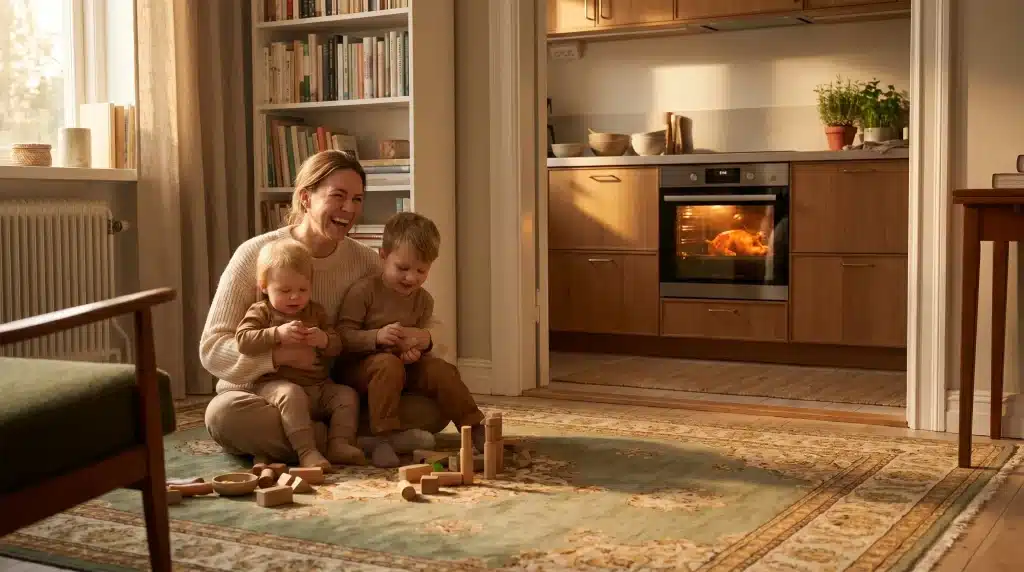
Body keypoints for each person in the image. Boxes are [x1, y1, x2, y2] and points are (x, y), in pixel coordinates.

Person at [201, 150, 446, 463]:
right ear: (306, 198)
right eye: (338, 196)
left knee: (432, 409)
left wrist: (424, 338)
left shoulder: (366, 262)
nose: (349, 208)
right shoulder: (255, 254)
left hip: (335, 394)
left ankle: (325, 437)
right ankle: (350, 440)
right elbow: (212, 348)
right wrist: (276, 356)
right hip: (264, 394)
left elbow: (431, 322)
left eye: (358, 199)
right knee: (224, 417)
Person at [336, 212, 487, 467]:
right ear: (383, 256)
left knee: (441, 369)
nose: (412, 278)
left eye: (421, 270)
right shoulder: (364, 291)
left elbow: (419, 344)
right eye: (402, 268)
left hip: (402, 368)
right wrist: (376, 337)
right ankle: (383, 438)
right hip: (361, 369)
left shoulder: (423, 301)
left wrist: (414, 352)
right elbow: (342, 337)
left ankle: (473, 427)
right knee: (386, 364)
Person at [233, 237, 365, 468]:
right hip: (277, 385)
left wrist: (323, 340)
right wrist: (276, 334)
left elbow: (337, 344)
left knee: (346, 395)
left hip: (319, 387)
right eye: (285, 290)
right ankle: (307, 452)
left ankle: (339, 444)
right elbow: (243, 340)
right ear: (264, 287)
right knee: (290, 395)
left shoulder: (315, 312)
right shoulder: (262, 312)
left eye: (303, 289)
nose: (295, 297)